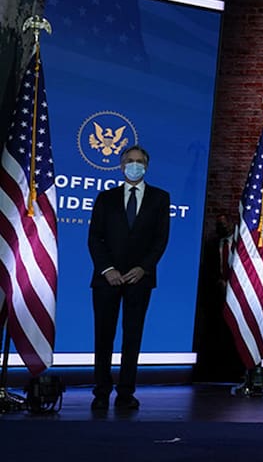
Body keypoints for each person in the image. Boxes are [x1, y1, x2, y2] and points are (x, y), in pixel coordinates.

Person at [87, 145, 171, 411]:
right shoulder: (105, 198)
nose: (134, 165)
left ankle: (126, 393)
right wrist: (107, 269)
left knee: (132, 337)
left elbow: (160, 239)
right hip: (106, 280)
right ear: (121, 166)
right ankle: (101, 391)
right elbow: (95, 238)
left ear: (146, 165)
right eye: (129, 161)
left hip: (140, 279)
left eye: (139, 161)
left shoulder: (160, 198)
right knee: (103, 336)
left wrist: (143, 268)